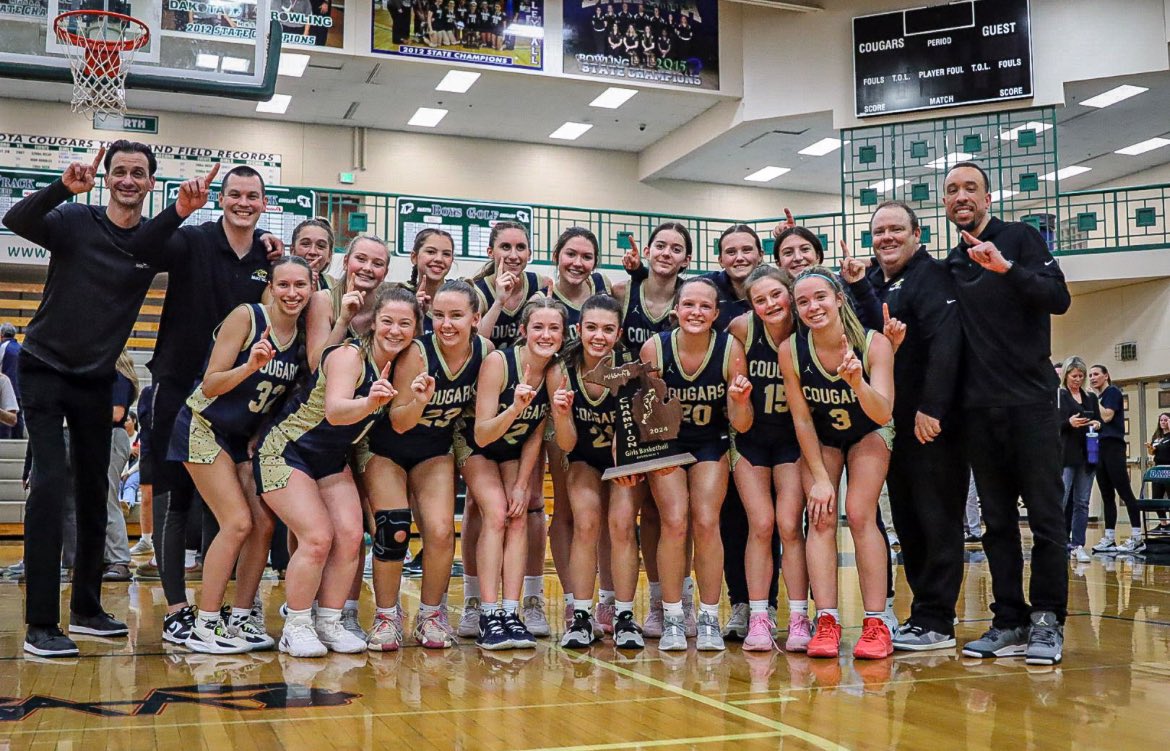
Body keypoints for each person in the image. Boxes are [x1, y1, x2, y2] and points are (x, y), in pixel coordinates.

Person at [3, 141, 160, 657]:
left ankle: (87, 608)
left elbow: (208, 250)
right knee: (50, 485)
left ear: (150, 183)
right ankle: (41, 625)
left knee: (97, 491)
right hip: (44, 367)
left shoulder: (152, 243)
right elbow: (16, 217)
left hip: (96, 379)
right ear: (108, 177)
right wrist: (59, 188)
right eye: (120, 171)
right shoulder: (73, 218)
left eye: (138, 172)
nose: (129, 180)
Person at [125, 162, 281, 646]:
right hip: (177, 383)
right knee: (177, 500)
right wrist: (176, 211)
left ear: (263, 203)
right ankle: (177, 610)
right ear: (222, 198)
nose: (243, 202)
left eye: (252, 196)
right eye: (235, 194)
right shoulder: (192, 239)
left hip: (234, 394)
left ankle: (217, 608)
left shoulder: (267, 258)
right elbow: (142, 248)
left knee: (226, 506)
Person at [943, 161, 1070, 666]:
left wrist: (1007, 270)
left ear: (987, 197)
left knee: (1045, 519)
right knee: (995, 523)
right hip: (979, 411)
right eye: (952, 190)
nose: (960, 196)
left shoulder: (1021, 241)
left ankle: (1046, 621)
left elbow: (1057, 299)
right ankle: (1009, 620)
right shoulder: (951, 263)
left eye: (970, 187)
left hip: (1033, 405)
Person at [256, 283, 419, 657]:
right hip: (286, 450)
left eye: (405, 324)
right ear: (373, 323)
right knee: (317, 537)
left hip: (330, 459)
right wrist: (370, 401)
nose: (395, 330)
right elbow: (336, 410)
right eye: (388, 321)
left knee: (350, 537)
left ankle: (328, 622)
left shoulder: (400, 366)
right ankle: (296, 625)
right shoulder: (350, 355)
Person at [169, 257, 312, 654]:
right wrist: (250, 367)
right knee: (236, 522)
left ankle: (241, 617)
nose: (292, 293)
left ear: (311, 287)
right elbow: (212, 383)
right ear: (271, 285)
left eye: (300, 285)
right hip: (203, 425)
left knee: (264, 524)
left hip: (242, 437)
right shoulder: (247, 317)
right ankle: (205, 622)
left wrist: (262, 432)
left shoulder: (301, 335)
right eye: (284, 284)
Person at [360, 280, 489, 651]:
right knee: (393, 527)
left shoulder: (485, 352)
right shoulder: (417, 352)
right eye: (439, 316)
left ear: (475, 319)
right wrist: (419, 401)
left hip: (434, 450)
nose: (447, 324)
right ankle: (387, 615)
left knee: (441, 532)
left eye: (457, 316)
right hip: (387, 447)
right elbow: (399, 422)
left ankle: (431, 614)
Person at [862, 201, 966, 652]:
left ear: (917, 234)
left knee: (936, 517)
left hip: (930, 423)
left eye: (895, 230)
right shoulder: (873, 282)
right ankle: (923, 612)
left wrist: (932, 407)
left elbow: (948, 344)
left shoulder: (932, 276)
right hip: (892, 425)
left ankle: (938, 618)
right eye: (879, 231)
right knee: (908, 518)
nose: (886, 237)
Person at [778, 268, 895, 661]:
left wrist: (857, 382)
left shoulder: (874, 344)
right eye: (803, 302)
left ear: (839, 299)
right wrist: (820, 479)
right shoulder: (791, 349)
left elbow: (882, 413)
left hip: (868, 431)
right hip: (823, 437)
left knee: (860, 513)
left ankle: (876, 621)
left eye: (820, 298)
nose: (813, 307)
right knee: (822, 514)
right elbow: (802, 419)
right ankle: (826, 618)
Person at [641, 278, 752, 652]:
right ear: (676, 310)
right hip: (666, 442)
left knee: (706, 520)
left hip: (710, 441)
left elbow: (742, 423)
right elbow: (643, 419)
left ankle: (708, 615)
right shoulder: (654, 350)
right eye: (689, 305)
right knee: (674, 520)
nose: (696, 312)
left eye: (705, 307)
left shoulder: (730, 349)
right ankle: (673, 616)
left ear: (716, 314)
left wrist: (738, 400)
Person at [464, 223, 553, 639]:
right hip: (477, 442)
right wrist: (516, 408)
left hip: (516, 447)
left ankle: (512, 610)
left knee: (520, 512)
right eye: (538, 329)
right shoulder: (499, 361)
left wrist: (522, 483)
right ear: (524, 330)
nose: (546, 335)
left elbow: (537, 430)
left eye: (554, 330)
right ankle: (484, 610)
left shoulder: (553, 371)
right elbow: (481, 434)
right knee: (493, 515)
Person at [609, 222, 688, 639]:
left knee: (668, 516)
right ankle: (617, 608)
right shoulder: (624, 294)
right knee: (625, 515)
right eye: (661, 245)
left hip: (671, 417)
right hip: (626, 413)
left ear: (686, 259)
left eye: (677, 248)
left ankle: (667, 601)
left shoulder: (690, 299)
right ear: (649, 250)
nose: (667, 253)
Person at [549, 294, 634, 649]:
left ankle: (624, 615)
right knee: (585, 523)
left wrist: (624, 462)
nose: (599, 336)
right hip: (582, 455)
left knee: (622, 524)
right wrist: (563, 413)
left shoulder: (628, 367)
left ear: (618, 333)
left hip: (622, 458)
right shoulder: (561, 371)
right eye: (592, 328)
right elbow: (567, 444)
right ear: (579, 329)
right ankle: (581, 615)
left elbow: (629, 435)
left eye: (608, 329)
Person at [727, 266, 800, 651]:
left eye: (776, 295)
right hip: (752, 439)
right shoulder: (741, 330)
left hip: (793, 440)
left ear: (789, 293)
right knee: (762, 523)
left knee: (790, 525)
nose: (770, 304)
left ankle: (801, 616)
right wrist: (739, 401)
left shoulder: (806, 329)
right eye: (760, 299)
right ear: (752, 306)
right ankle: (758, 616)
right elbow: (738, 419)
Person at [543, 227, 612, 629]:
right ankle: (573, 599)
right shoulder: (544, 299)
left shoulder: (605, 294)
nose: (578, 262)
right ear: (557, 254)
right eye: (571, 254)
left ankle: (604, 599)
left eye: (586, 256)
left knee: (605, 516)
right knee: (568, 510)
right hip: (561, 410)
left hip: (602, 412)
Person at [1089, 364, 1144, 554]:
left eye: (1096, 374)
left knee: (1124, 491)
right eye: (1090, 375)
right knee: (1106, 494)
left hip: (1113, 446)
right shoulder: (1099, 398)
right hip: (1099, 447)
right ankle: (1110, 538)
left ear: (1106, 376)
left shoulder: (1112, 392)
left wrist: (1093, 400)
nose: (1092, 378)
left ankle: (1137, 537)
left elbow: (1107, 417)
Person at [1057, 356, 1100, 563]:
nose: (1078, 380)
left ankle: (1078, 544)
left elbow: (1098, 420)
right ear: (1066, 375)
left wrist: (1096, 424)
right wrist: (1068, 423)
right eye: (1074, 376)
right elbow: (1051, 424)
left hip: (1088, 454)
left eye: (1081, 376)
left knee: (1082, 502)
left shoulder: (1090, 397)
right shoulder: (1058, 396)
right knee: (1062, 499)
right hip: (1066, 455)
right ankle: (1057, 541)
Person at [102, 350, 139, 583]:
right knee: (101, 498)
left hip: (112, 438)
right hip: (107, 438)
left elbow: (116, 414)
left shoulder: (118, 377)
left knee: (108, 497)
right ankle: (109, 556)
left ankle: (119, 559)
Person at [406, 227, 456, 333]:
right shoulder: (400, 298)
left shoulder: (461, 294)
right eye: (431, 252)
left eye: (446, 254)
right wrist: (414, 312)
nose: (438, 259)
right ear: (414, 257)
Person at [291, 218, 335, 291]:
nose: (313, 252)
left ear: (329, 256)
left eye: (321, 246)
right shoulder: (277, 281)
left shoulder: (331, 283)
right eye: (305, 244)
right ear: (292, 250)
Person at [1146, 413, 1170, 530]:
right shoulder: (1157, 436)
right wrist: (1150, 449)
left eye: (1166, 420)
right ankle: (1164, 524)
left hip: (1168, 468)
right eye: (1161, 420)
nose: (1163, 422)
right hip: (1158, 469)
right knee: (1156, 498)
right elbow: (1152, 453)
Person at [0, 322, 22, 439]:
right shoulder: (21, 348)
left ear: (2, 335)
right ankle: (16, 441)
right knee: (19, 418)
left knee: (5, 422)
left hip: (8, 388)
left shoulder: (3, 347)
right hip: (20, 388)